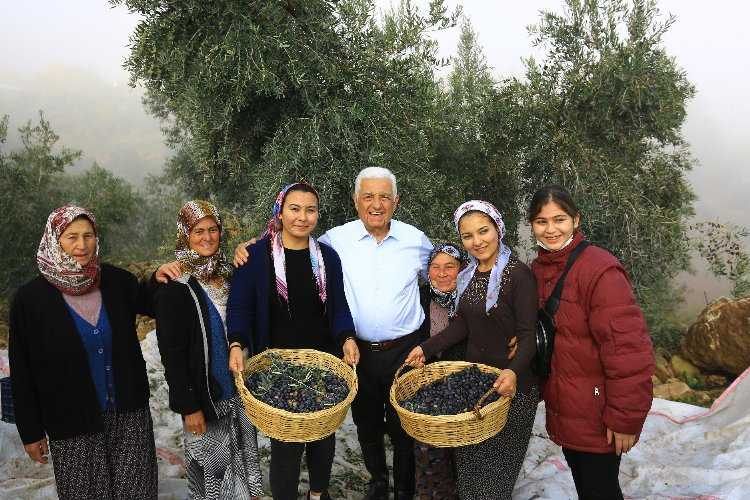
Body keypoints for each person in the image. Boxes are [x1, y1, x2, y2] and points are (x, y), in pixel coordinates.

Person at [235, 167, 434, 500]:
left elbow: (446, 272)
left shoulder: (408, 242)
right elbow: (244, 300)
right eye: (368, 196)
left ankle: (392, 489)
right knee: (328, 433)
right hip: (297, 361)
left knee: (381, 431)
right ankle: (373, 482)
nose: (376, 204)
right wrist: (238, 341)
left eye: (384, 196)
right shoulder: (318, 245)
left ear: (396, 202)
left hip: (371, 354)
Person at [9, 205, 158, 499]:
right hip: (71, 422)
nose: (82, 245)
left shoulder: (117, 282)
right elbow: (22, 370)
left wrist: (162, 277)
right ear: (54, 239)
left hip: (129, 416)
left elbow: (156, 302)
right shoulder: (30, 300)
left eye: (88, 235)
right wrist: (31, 431)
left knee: (138, 493)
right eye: (71, 236)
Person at [226, 183, 358, 500]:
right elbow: (240, 307)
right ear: (280, 212)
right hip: (276, 368)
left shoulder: (327, 257)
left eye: (310, 210)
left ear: (317, 214)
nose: (302, 217)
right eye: (294, 209)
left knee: (323, 435)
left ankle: (317, 494)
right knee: (285, 443)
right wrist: (236, 343)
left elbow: (338, 306)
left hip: (321, 363)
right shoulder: (256, 256)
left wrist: (347, 337)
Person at [405, 200, 539, 500]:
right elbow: (461, 326)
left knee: (493, 481)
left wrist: (513, 371)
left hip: (511, 390)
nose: (477, 241)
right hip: (477, 385)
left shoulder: (518, 275)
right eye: (468, 235)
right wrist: (425, 349)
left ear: (498, 229)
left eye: (483, 231)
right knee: (469, 475)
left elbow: (527, 335)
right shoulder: (468, 276)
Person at [527, 185, 654, 500]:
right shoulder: (539, 268)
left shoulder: (599, 269)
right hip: (568, 407)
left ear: (576, 219)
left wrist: (625, 419)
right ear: (531, 225)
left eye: (559, 219)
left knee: (600, 490)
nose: (551, 229)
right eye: (542, 221)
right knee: (587, 486)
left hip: (599, 412)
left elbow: (628, 352)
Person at [153, 200, 263, 500]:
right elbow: (172, 354)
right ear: (184, 235)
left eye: (213, 229)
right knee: (214, 480)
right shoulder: (175, 287)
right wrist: (189, 407)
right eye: (198, 230)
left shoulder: (229, 273)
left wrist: (256, 245)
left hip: (239, 393)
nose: (207, 237)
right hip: (205, 399)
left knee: (245, 465)